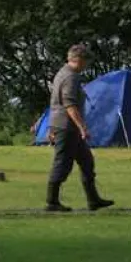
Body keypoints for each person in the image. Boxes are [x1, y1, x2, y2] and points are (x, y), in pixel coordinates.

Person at [45, 44, 115, 212]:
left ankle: (93, 200)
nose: (87, 66)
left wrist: (51, 127)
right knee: (62, 163)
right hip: (67, 127)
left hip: (63, 125)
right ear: (80, 60)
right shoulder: (70, 77)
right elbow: (69, 104)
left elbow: (55, 103)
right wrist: (82, 127)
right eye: (87, 62)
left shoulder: (62, 73)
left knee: (86, 161)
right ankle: (52, 201)